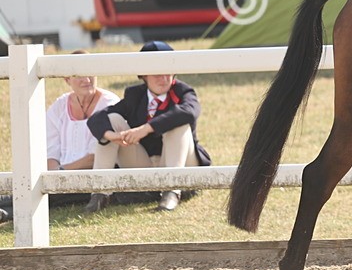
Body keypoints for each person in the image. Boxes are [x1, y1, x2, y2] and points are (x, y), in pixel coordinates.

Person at [84, 41, 211, 213]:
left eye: (168, 71)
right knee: (113, 119)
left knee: (178, 123)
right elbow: (98, 118)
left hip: (182, 163)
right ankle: (100, 194)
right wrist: (111, 136)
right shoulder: (135, 95)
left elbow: (189, 112)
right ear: (143, 74)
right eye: (156, 72)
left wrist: (145, 128)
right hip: (145, 163)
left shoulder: (184, 91)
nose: (163, 78)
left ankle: (172, 191)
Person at [0, 51, 119, 223]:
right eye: (78, 75)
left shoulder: (110, 103)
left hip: (92, 174)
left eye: (90, 73)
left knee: (52, 193)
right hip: (59, 174)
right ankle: (5, 211)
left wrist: (60, 173)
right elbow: (50, 151)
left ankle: (6, 211)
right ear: (67, 80)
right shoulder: (60, 105)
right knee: (47, 189)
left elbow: (95, 158)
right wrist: (56, 174)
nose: (86, 79)